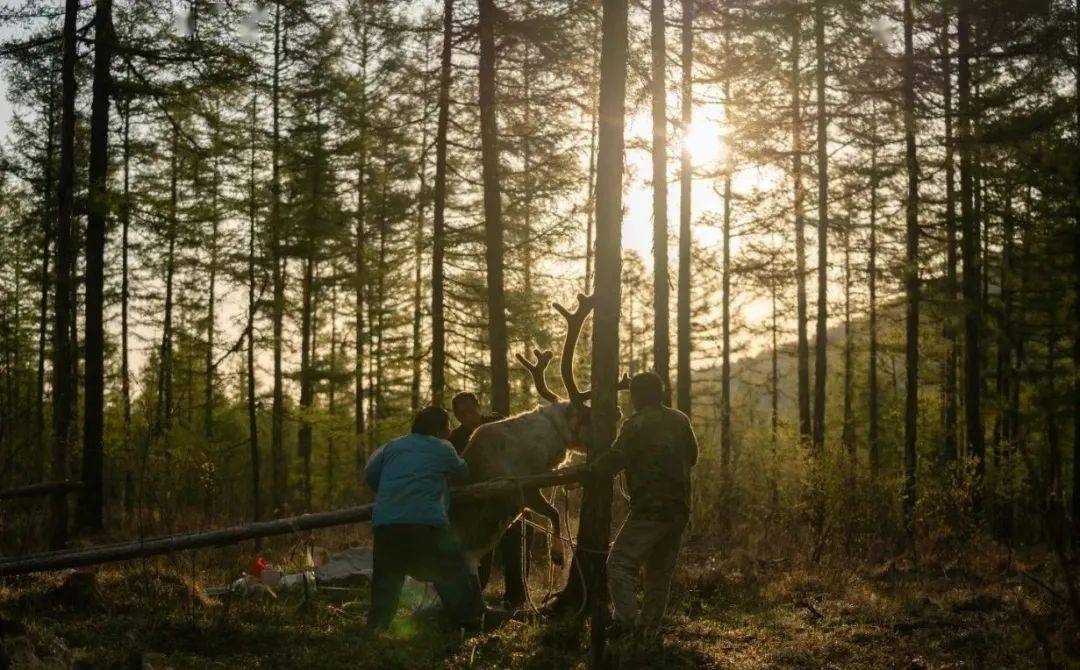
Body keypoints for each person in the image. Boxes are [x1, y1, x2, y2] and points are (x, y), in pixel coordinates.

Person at [585, 371, 698, 644]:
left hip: (650, 509)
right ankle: (648, 634)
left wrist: (585, 474)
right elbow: (692, 457)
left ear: (636, 397)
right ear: (660, 393)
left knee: (618, 564)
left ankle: (627, 624)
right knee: (659, 574)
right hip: (680, 508)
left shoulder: (634, 425)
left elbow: (614, 459)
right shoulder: (680, 419)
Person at [363, 405, 483, 630]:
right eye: (447, 427)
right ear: (439, 430)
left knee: (386, 578)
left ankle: (377, 627)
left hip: (386, 523)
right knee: (450, 571)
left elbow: (369, 475)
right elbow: (463, 471)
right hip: (427, 522)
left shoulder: (392, 446)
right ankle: (468, 622)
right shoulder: (443, 447)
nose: (449, 432)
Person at [447, 391, 530, 608]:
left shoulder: (497, 422)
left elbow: (520, 447)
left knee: (514, 549)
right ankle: (476, 598)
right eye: (462, 413)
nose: (468, 415)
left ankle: (516, 598)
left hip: (509, 500)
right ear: (456, 416)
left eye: (471, 409)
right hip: (479, 508)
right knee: (482, 554)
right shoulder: (455, 439)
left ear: (478, 405)